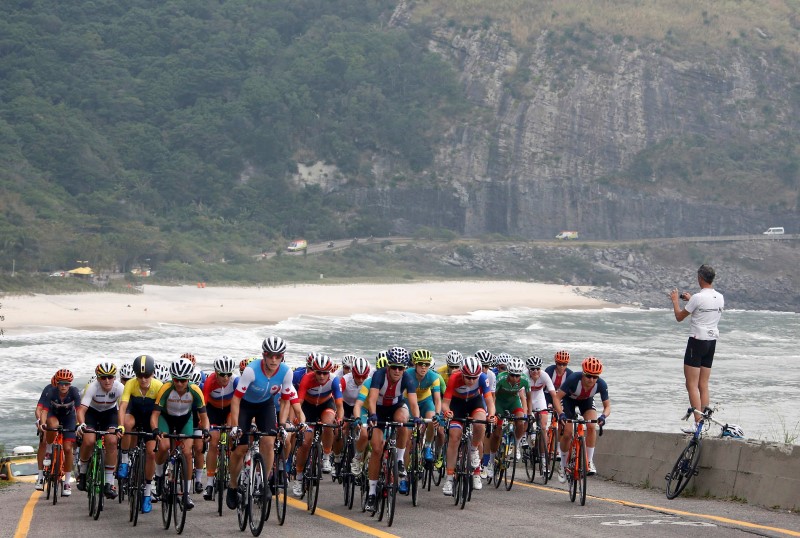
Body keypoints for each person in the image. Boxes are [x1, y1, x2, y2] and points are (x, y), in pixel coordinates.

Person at [226, 336, 295, 510]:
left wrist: (282, 425)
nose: (274, 360)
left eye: (278, 356)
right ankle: (233, 486)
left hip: (266, 405)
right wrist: (235, 426)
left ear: (282, 357)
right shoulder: (251, 370)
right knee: (241, 448)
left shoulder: (286, 372)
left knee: (269, 441)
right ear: (263, 355)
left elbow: (286, 401)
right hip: (245, 406)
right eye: (270, 355)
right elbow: (235, 399)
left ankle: (264, 481)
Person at [363, 347, 420, 512]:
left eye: (400, 368)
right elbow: (372, 399)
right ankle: (372, 493)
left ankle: (400, 460)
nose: (397, 371)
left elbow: (413, 403)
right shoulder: (379, 375)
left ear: (404, 368)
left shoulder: (408, 377)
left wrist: (416, 418)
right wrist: (372, 415)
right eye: (394, 367)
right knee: (377, 449)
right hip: (379, 411)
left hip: (396, 407)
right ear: (388, 366)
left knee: (404, 421)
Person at [670, 264, 724, 431]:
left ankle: (697, 422)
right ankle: (705, 422)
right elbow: (703, 308)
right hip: (711, 342)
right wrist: (691, 299)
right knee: (703, 383)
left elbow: (679, 317)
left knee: (691, 384)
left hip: (697, 341)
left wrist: (674, 301)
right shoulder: (720, 297)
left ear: (700, 278)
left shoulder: (697, 299)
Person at [151, 357, 210, 510]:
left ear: (188, 379)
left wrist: (206, 430)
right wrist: (155, 429)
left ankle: (185, 493)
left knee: (187, 453)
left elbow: (204, 417)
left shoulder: (195, 390)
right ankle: (158, 477)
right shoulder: (166, 388)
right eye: (176, 379)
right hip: (166, 419)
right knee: (163, 447)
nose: (179, 383)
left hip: (185, 420)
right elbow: (155, 415)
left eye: (183, 381)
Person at [441, 356, 496, 496]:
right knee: (454, 437)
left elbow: (490, 402)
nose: (471, 381)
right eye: (468, 378)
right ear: (462, 373)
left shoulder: (483, 378)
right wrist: (446, 412)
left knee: (480, 423)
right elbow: (445, 402)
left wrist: (491, 415)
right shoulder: (454, 378)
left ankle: (473, 451)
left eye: (474, 378)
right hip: (457, 404)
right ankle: (449, 479)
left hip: (474, 403)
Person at [293, 354, 344, 496]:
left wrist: (339, 418)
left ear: (330, 372)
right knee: (305, 442)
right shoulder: (306, 378)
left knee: (328, 423)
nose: (322, 376)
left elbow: (339, 403)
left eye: (325, 373)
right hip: (308, 407)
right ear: (313, 371)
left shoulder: (334, 380)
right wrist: (297, 419)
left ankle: (326, 456)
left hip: (325, 405)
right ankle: (298, 477)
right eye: (319, 372)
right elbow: (299, 402)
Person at [117, 354, 163, 513]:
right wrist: (120, 426)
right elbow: (123, 407)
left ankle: (147, 494)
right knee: (127, 423)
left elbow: (159, 413)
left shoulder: (158, 386)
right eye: (139, 376)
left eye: (146, 375)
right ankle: (124, 460)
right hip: (135, 414)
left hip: (151, 418)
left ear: (152, 374)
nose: (143, 379)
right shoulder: (130, 383)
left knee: (151, 454)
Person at [76, 361, 125, 499]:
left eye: (110, 377)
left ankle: (109, 483)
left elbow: (122, 409)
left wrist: (121, 425)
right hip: (92, 413)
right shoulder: (92, 387)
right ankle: (83, 473)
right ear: (98, 378)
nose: (107, 380)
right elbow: (82, 410)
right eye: (103, 377)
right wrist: (81, 424)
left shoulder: (119, 387)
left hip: (110, 415)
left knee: (111, 440)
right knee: (89, 440)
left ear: (114, 377)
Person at [555, 357, 610, 479]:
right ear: (583, 374)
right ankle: (563, 465)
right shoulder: (573, 379)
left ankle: (589, 461)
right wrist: (561, 414)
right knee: (568, 433)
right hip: (569, 400)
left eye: (595, 377)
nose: (591, 379)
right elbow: (557, 398)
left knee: (591, 426)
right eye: (588, 376)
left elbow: (607, 406)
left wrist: (603, 416)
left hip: (586, 401)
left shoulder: (601, 384)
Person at [35, 369, 81, 495]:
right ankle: (43, 469)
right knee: (46, 437)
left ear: (70, 384)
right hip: (52, 416)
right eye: (60, 383)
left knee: (68, 448)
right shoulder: (49, 390)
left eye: (66, 384)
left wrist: (80, 425)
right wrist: (41, 423)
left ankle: (67, 482)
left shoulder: (74, 392)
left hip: (68, 418)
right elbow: (41, 410)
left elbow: (79, 410)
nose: (63, 386)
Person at [201, 355, 239, 501]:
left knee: (232, 435)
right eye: (222, 374)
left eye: (228, 374)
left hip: (229, 410)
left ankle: (232, 473)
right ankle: (209, 483)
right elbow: (202, 405)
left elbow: (241, 402)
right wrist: (203, 423)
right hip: (213, 411)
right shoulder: (210, 381)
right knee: (214, 441)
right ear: (216, 373)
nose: (225, 378)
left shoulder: (235, 381)